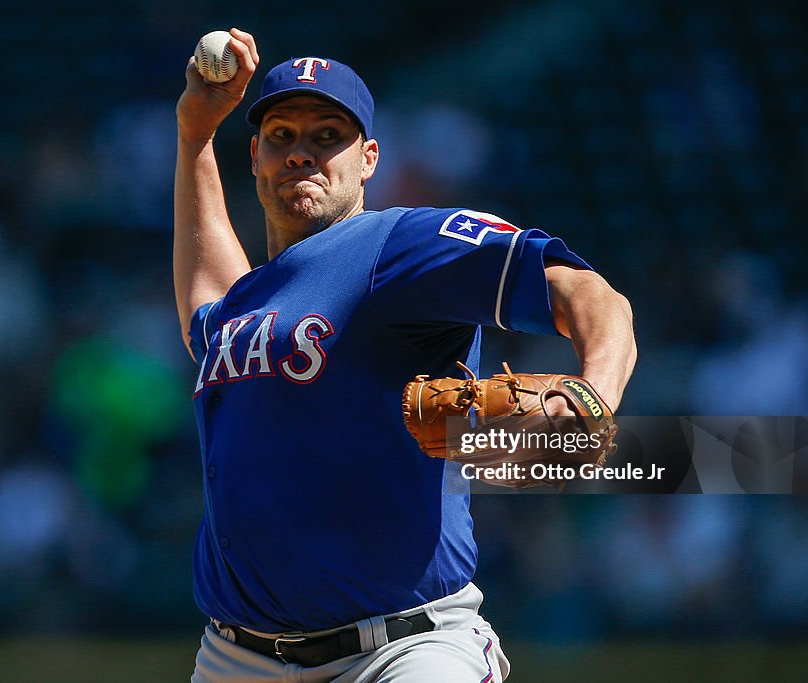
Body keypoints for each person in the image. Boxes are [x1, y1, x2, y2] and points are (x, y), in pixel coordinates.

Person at [174, 28, 636, 682]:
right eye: (282, 136)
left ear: (368, 159)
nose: (301, 153)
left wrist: (596, 392)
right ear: (254, 155)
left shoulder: (402, 245)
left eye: (327, 136)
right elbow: (211, 304)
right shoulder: (244, 308)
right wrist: (194, 136)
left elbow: (590, 293)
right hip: (236, 657)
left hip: (401, 647)